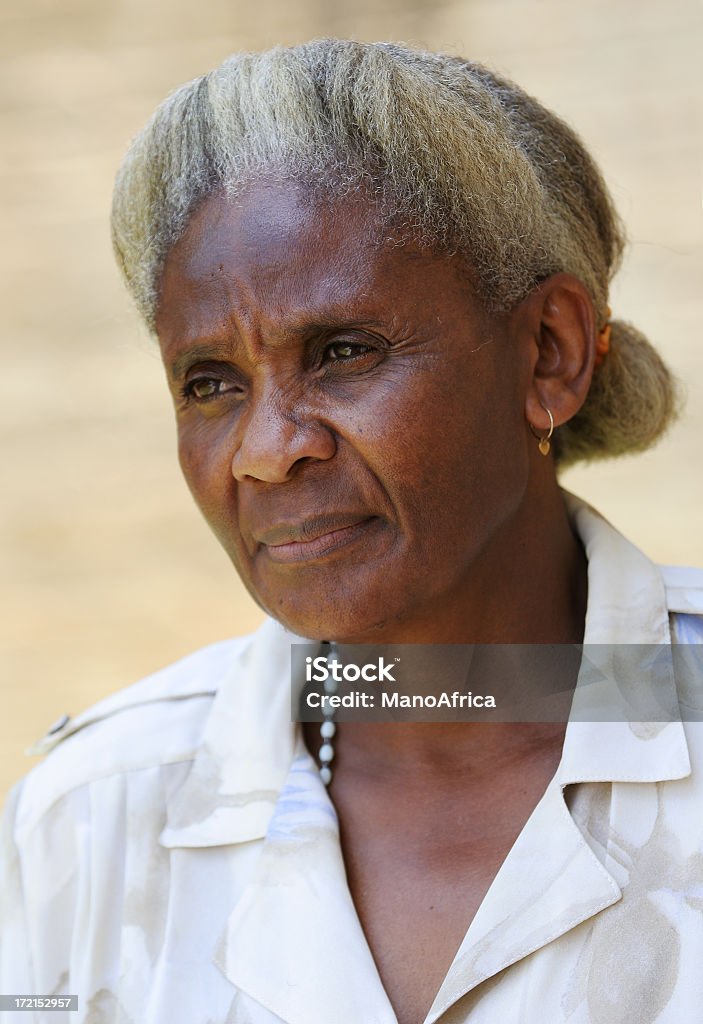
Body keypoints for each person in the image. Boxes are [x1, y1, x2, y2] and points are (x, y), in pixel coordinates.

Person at [2, 39, 702, 1024]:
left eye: (342, 353)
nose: (265, 450)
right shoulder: (93, 820)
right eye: (210, 382)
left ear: (548, 354)